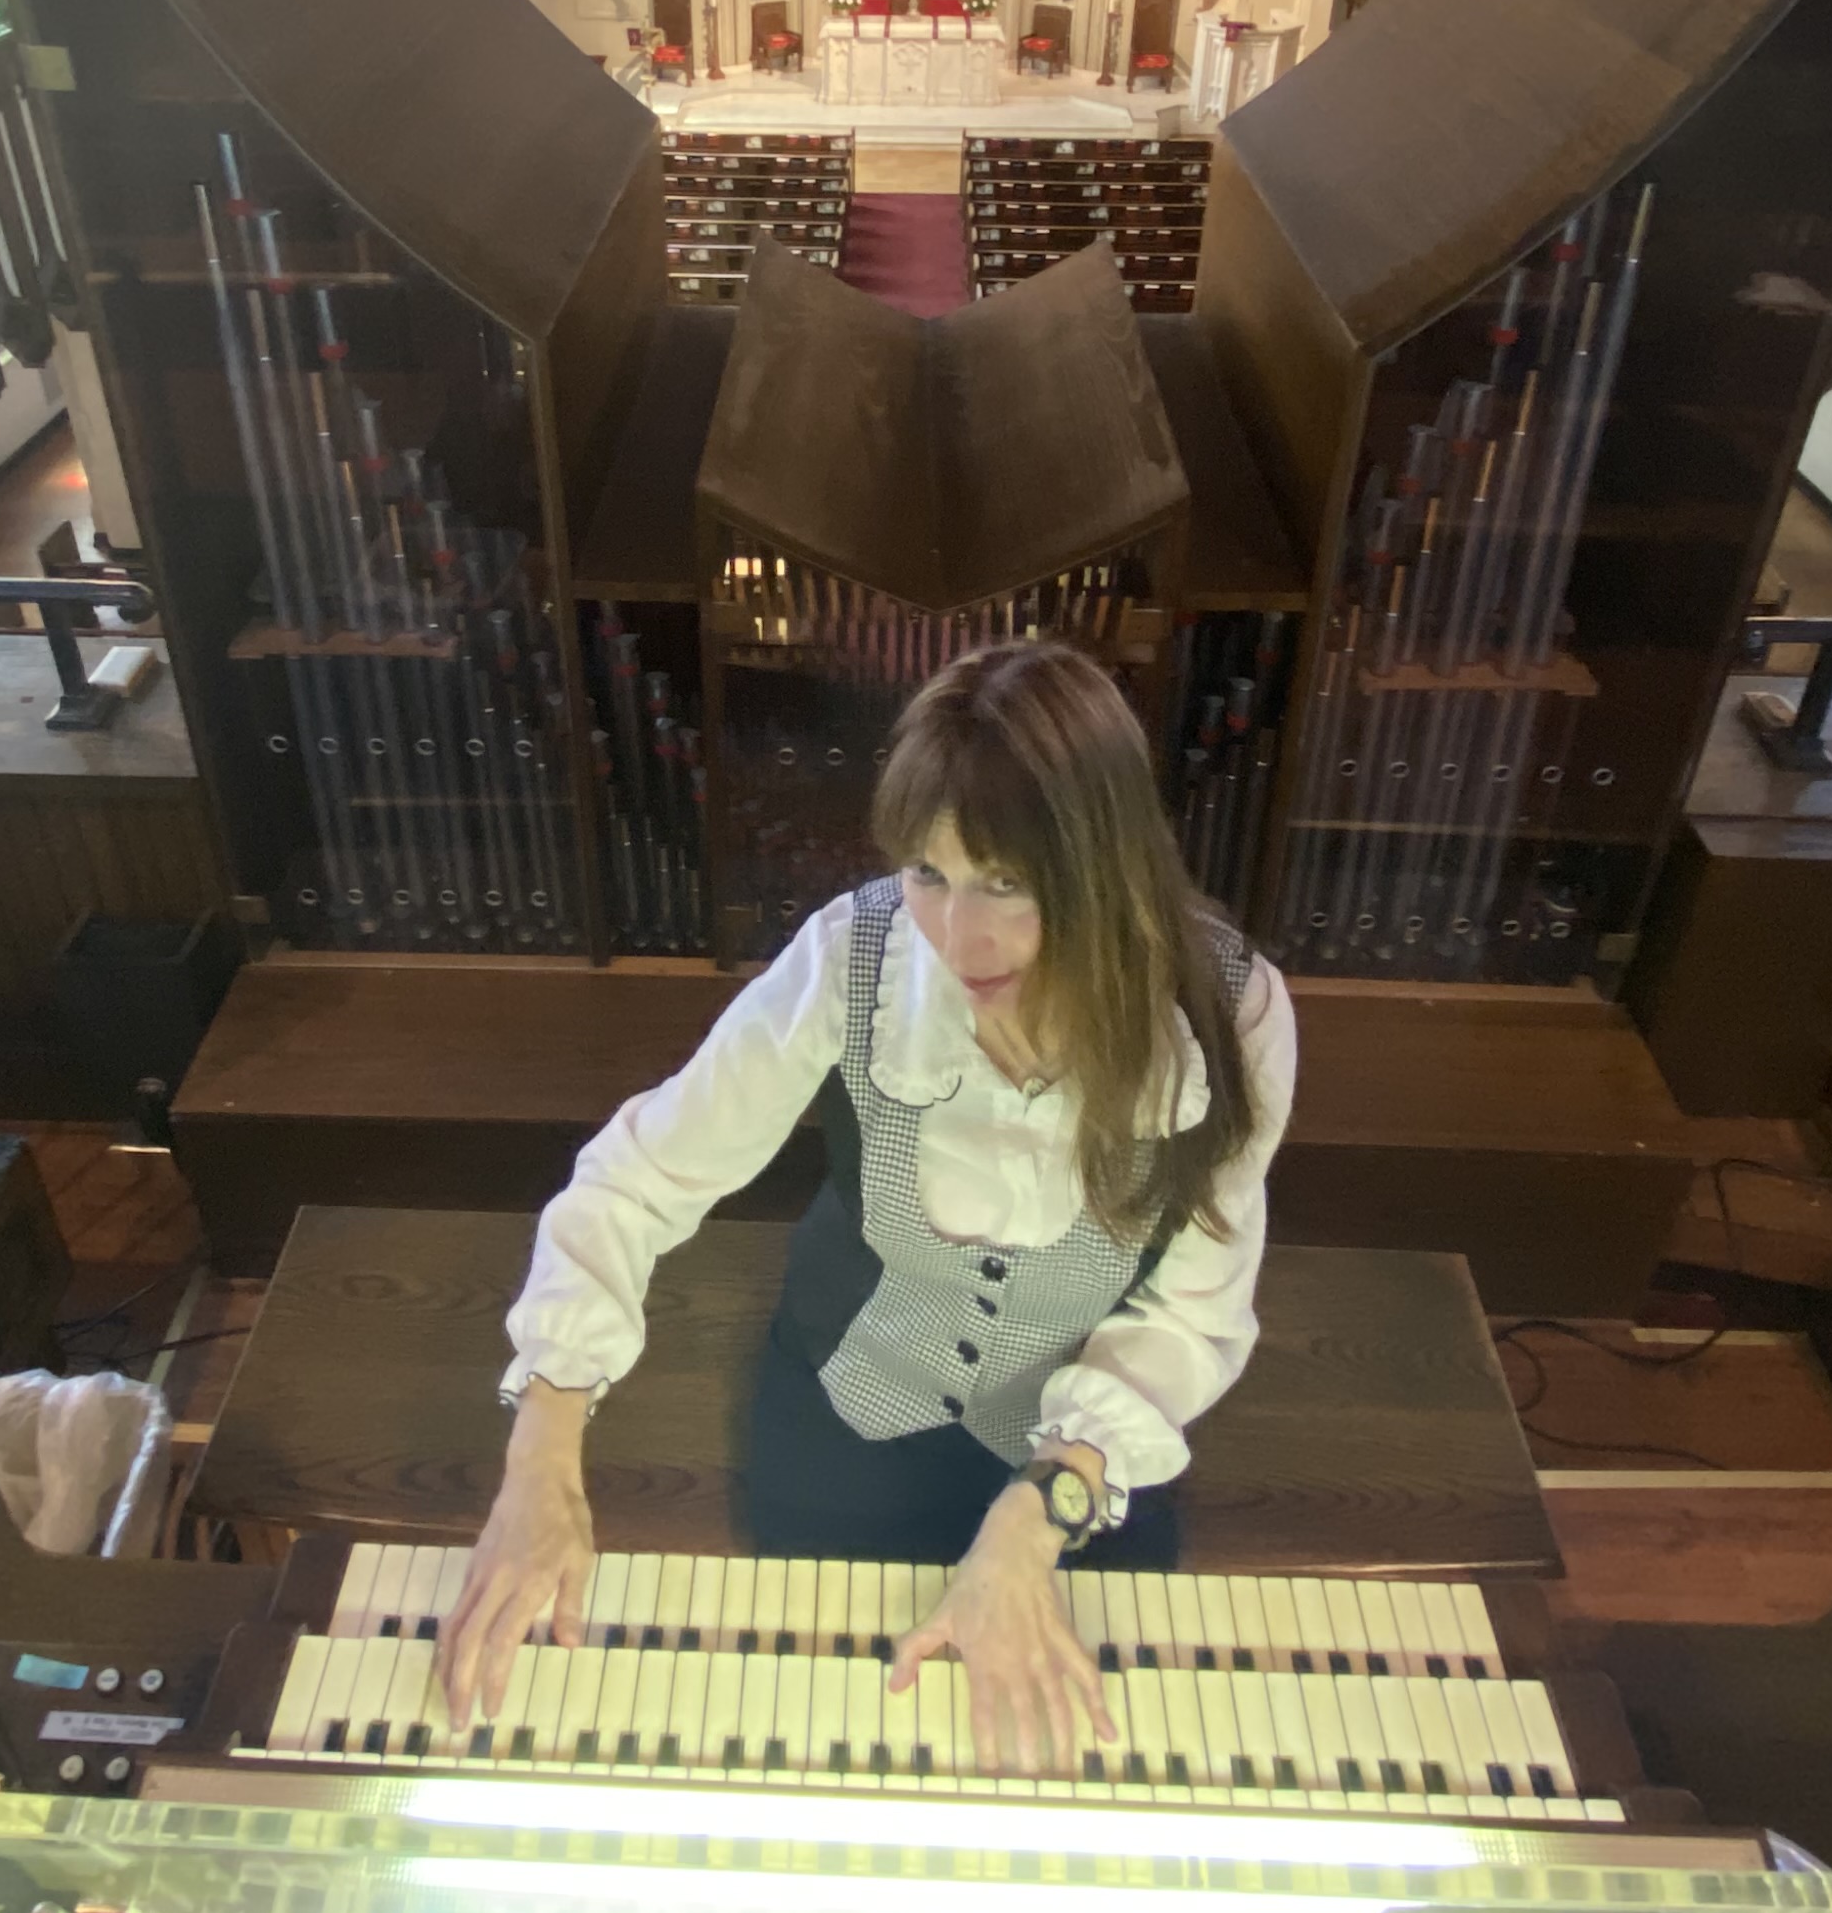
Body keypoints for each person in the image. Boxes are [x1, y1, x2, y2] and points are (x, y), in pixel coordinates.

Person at [436, 639, 1298, 1772]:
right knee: (820, 1747)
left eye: (1008, 883)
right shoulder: (858, 956)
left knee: (1070, 1770)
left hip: (1088, 1467)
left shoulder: (1233, 1013)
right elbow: (638, 1177)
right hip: (845, 1423)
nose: (959, 939)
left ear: (1107, 866)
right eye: (930, 874)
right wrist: (542, 1450)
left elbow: (1191, 1314)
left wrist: (1038, 1514)